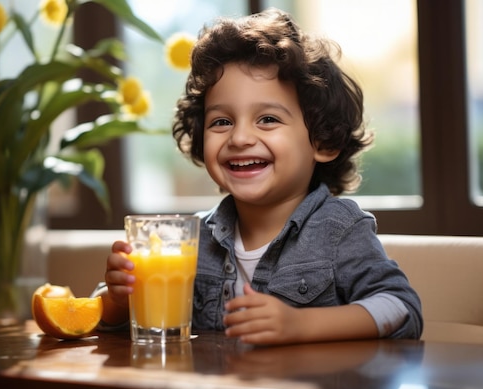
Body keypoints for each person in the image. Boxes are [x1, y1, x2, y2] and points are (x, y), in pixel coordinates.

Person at [102, 7, 423, 345]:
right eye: (221, 122)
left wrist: (301, 325)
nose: (239, 138)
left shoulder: (339, 231)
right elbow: (107, 321)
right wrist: (119, 300)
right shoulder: (190, 240)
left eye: (268, 119)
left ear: (323, 140)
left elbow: (401, 308)